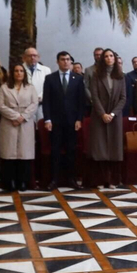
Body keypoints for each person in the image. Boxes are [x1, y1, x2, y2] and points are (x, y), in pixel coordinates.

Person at [43, 51, 87, 189]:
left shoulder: (78, 79)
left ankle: (71, 180)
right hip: (55, 122)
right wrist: (47, 119)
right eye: (63, 59)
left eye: (68, 59)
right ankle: (55, 180)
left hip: (72, 122)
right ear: (57, 61)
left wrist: (79, 119)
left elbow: (81, 102)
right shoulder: (50, 78)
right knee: (55, 151)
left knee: (71, 151)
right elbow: (46, 101)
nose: (66, 62)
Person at [0, 60, 40, 191]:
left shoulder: (31, 88)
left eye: (21, 71)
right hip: (9, 123)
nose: (19, 73)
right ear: (12, 73)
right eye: (16, 71)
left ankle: (23, 182)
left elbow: (34, 104)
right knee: (9, 154)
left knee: (24, 154)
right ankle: (9, 182)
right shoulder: (4, 87)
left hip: (25, 123)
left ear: (24, 73)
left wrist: (22, 117)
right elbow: (0, 104)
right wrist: (15, 116)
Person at [87, 49, 126, 186]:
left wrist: (112, 114)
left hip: (115, 117)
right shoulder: (96, 75)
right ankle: (101, 180)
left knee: (114, 148)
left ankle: (114, 180)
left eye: (111, 56)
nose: (109, 58)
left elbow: (123, 98)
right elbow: (95, 97)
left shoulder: (120, 77)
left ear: (115, 59)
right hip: (99, 116)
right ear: (102, 59)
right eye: (106, 56)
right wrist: (103, 114)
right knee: (100, 148)